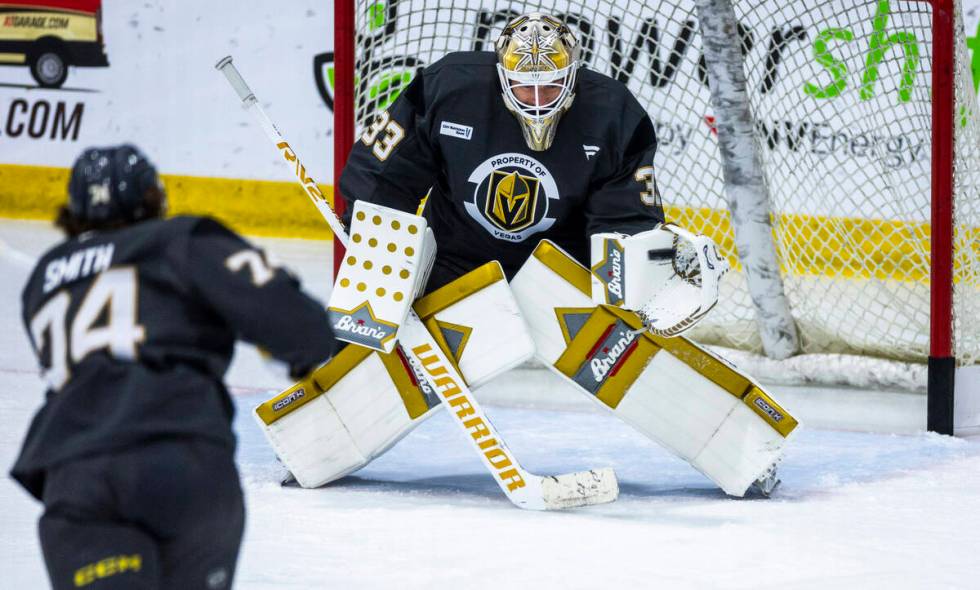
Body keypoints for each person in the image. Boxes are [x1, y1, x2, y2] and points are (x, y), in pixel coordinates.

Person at [11, 144, 338, 589]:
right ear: (154, 197)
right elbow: (303, 328)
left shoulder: (43, 280)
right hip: (182, 462)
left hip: (79, 476)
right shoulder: (181, 240)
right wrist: (295, 349)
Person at [340, 12, 664, 291]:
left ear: (572, 75)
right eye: (526, 87)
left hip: (562, 273)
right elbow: (384, 175)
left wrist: (625, 280)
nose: (538, 100)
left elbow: (623, 218)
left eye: (550, 85)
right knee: (365, 334)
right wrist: (374, 242)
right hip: (452, 262)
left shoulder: (615, 114)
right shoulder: (446, 89)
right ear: (503, 75)